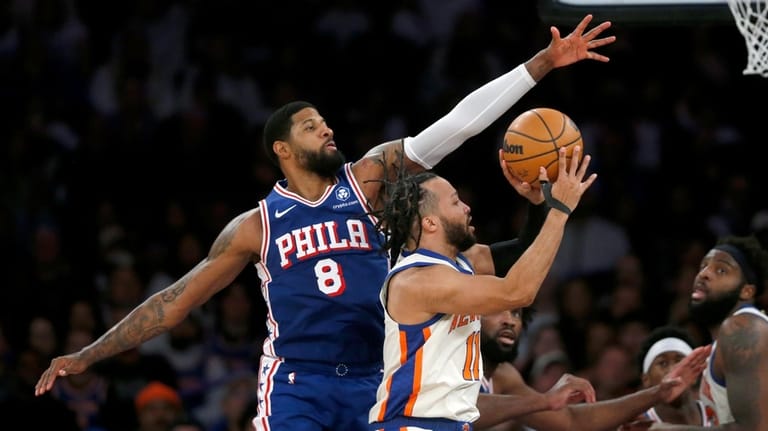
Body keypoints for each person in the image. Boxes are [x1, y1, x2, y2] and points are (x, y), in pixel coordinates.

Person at [34, 14, 616, 431]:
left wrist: (539, 64)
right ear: (282, 150)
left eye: (326, 122)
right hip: (297, 383)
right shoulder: (255, 226)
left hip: (373, 376)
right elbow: (174, 303)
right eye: (312, 127)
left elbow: (455, 126)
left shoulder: (368, 180)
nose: (328, 130)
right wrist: (88, 354)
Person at [369, 146, 600, 430]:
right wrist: (560, 210)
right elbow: (518, 292)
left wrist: (539, 204)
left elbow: (524, 254)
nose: (466, 207)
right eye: (455, 203)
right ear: (429, 222)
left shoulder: (460, 263)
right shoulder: (418, 280)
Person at [478, 308, 711, 431]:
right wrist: (543, 401)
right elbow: (460, 408)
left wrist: (658, 393)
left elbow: (570, 422)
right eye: (498, 310)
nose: (510, 320)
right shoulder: (447, 356)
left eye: (517, 312)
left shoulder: (504, 374)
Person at [650, 234, 768, 429]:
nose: (704, 274)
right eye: (703, 266)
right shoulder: (729, 337)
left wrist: (668, 429)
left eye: (721, 270)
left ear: (746, 291)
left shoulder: (743, 328)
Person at [617, 325, 706, 429]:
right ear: (646, 379)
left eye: (679, 361)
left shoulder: (718, 411)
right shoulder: (637, 425)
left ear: (695, 374)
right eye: (663, 363)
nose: (673, 369)